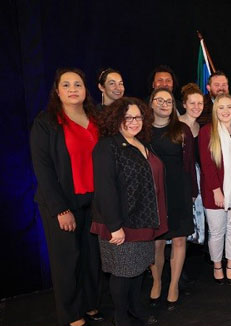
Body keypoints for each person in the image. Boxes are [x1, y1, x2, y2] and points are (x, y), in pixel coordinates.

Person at [30, 68, 102, 326]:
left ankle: (91, 303)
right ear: (57, 91)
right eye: (67, 85)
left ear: (85, 90)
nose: (73, 89)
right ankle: (71, 313)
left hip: (94, 201)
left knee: (92, 257)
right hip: (63, 203)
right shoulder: (46, 122)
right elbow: (43, 169)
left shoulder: (96, 119)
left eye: (78, 84)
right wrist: (60, 209)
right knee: (67, 260)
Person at [91, 97, 165, 326]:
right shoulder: (107, 146)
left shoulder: (142, 143)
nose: (135, 122)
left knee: (138, 269)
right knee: (122, 273)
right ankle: (120, 317)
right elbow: (105, 189)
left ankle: (135, 309)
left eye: (138, 117)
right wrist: (114, 227)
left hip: (143, 219)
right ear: (116, 119)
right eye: (128, 117)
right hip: (121, 223)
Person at [149, 88, 197, 309]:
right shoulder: (143, 131)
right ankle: (157, 282)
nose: (164, 104)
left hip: (179, 191)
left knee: (179, 240)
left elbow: (189, 166)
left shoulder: (182, 129)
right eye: (159, 100)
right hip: (154, 193)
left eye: (168, 100)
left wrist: (193, 193)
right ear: (151, 103)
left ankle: (174, 285)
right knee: (157, 242)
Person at [198, 94, 231, 285]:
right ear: (215, 110)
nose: (226, 111)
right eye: (221, 107)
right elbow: (207, 164)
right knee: (217, 232)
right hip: (216, 194)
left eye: (229, 106)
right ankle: (217, 266)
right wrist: (216, 190)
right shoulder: (207, 131)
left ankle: (230, 265)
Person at [179, 83, 206, 245]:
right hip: (181, 181)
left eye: (200, 103)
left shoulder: (201, 128)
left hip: (198, 182)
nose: (196, 107)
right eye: (192, 103)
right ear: (184, 105)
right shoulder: (175, 125)